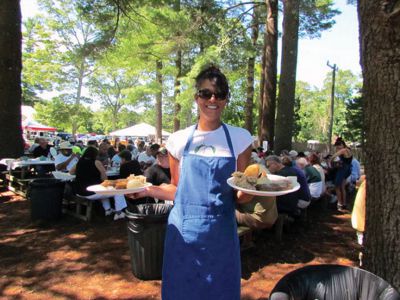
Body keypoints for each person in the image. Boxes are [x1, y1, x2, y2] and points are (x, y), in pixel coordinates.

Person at [128, 65, 253, 299]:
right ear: (197, 97)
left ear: (226, 99)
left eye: (220, 94)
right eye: (206, 93)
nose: (212, 99)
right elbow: (177, 189)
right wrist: (146, 190)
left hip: (221, 234)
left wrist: (252, 192)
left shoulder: (241, 139)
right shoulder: (178, 140)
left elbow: (241, 193)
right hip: (184, 235)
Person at [69, 147, 127, 220]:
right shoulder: (96, 162)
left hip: (79, 191)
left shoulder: (80, 161)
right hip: (91, 193)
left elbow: (71, 172)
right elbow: (105, 179)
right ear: (95, 154)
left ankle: (108, 210)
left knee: (103, 190)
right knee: (118, 190)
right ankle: (119, 213)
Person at [331, 138, 352, 210]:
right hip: (347, 169)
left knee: (337, 186)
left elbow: (333, 156)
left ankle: (339, 203)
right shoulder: (348, 150)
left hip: (343, 170)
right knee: (342, 187)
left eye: (338, 146)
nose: (337, 148)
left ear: (342, 145)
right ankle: (344, 203)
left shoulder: (344, 150)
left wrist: (331, 161)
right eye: (337, 146)